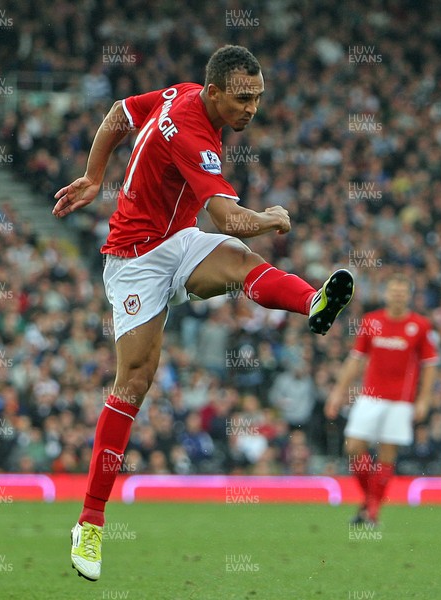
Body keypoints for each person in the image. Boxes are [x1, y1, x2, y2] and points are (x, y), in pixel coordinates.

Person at [53, 45, 354, 581]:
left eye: (258, 97)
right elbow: (227, 216)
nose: (251, 109)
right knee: (135, 382)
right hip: (134, 259)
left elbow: (118, 114)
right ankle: (91, 522)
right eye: (243, 98)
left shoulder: (179, 93)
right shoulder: (193, 130)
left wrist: (94, 176)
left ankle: (314, 301)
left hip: (177, 238)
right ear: (214, 92)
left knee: (241, 264)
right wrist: (271, 218)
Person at [324, 273, 438, 525]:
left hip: (401, 402)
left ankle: (372, 512)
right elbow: (355, 360)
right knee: (353, 447)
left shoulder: (419, 326)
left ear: (409, 295)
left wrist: (424, 399)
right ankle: (369, 501)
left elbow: (430, 365)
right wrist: (338, 392)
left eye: (402, 291)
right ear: (386, 294)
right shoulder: (371, 321)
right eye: (394, 291)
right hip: (370, 397)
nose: (397, 295)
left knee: (387, 455)